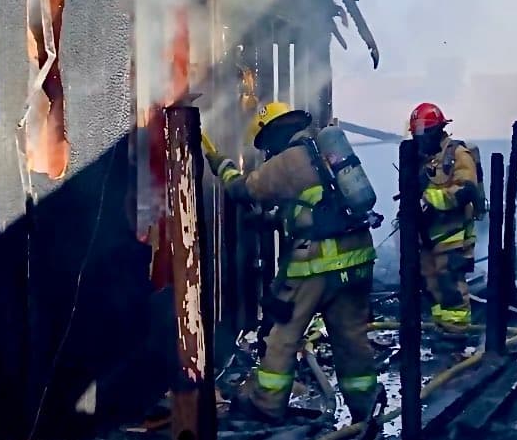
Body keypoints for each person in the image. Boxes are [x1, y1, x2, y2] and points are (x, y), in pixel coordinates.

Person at [204, 103, 378, 423]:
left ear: (273, 134)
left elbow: (242, 190)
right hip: (358, 257)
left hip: (317, 264)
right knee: (351, 338)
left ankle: (267, 405)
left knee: (282, 335)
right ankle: (365, 411)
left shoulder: (286, 161)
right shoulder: (323, 153)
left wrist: (220, 163)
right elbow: (316, 208)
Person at [409, 101, 485, 335]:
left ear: (438, 129)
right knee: (432, 287)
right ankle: (444, 330)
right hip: (428, 238)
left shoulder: (457, 155)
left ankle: (457, 336)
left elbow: (466, 189)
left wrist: (429, 201)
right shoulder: (422, 158)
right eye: (417, 134)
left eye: (424, 133)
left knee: (451, 288)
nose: (420, 139)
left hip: (452, 236)